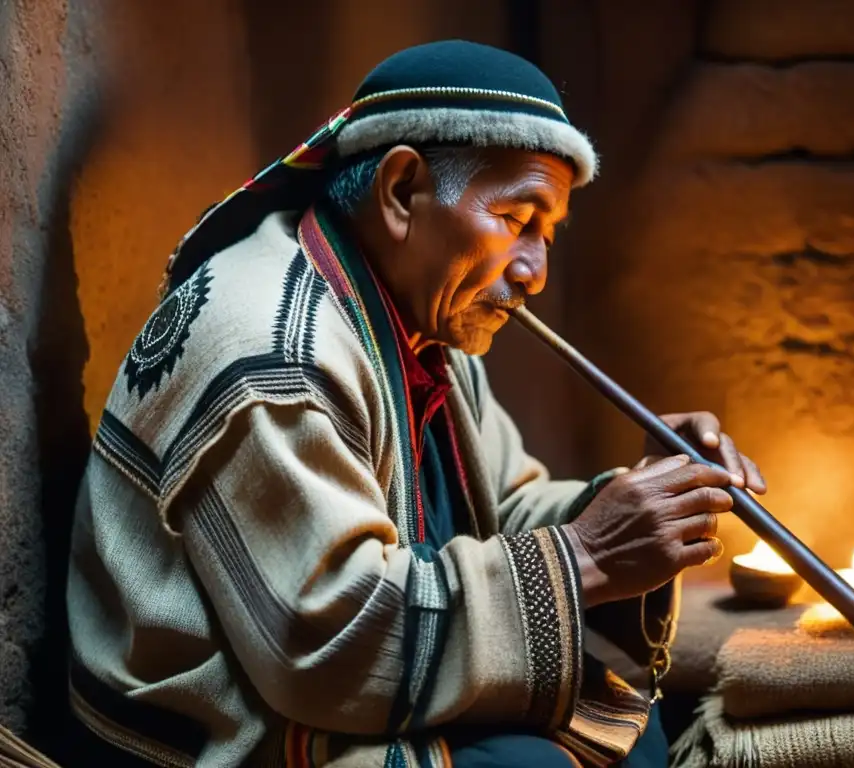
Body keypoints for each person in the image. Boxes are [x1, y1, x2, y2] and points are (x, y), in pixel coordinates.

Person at [66, 40, 765, 768]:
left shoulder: (423, 321)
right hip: (220, 728)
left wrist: (638, 501)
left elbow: (505, 510)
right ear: (402, 192)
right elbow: (330, 642)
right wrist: (586, 553)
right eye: (519, 218)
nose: (534, 272)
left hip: (332, 683)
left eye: (548, 233)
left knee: (629, 732)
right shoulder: (273, 352)